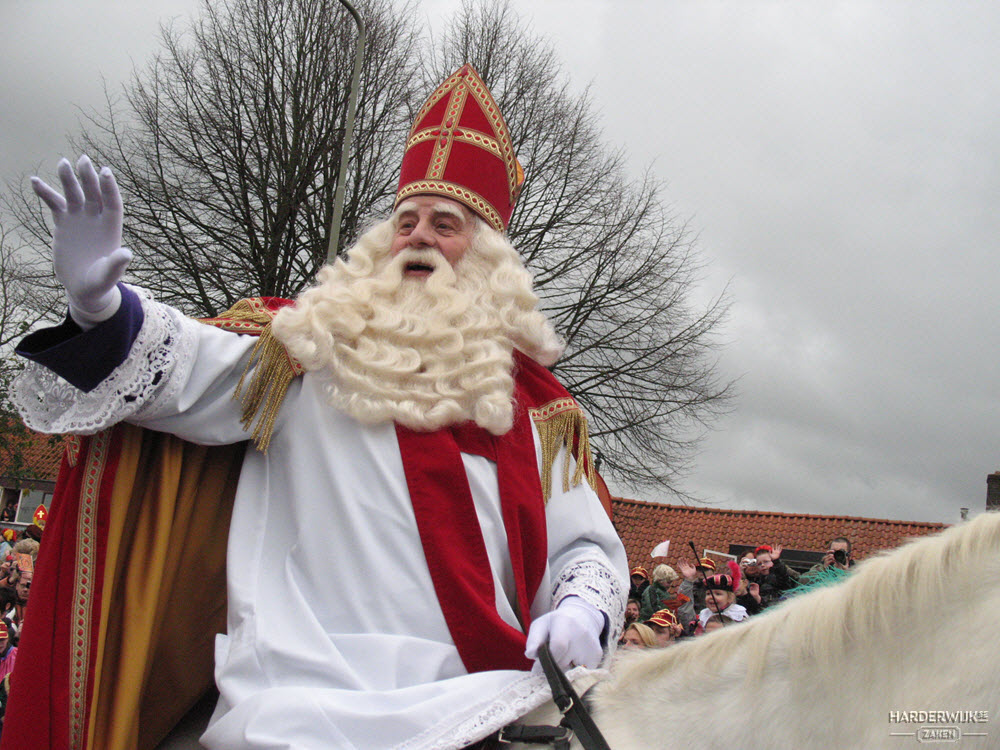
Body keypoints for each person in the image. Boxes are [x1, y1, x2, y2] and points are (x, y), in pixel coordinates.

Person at [9, 65, 628, 750]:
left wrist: (583, 606)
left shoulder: (539, 417)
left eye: (445, 224)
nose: (417, 236)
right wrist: (101, 311)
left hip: (472, 707)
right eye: (406, 221)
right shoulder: (301, 355)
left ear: (488, 259)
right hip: (296, 712)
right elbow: (178, 367)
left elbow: (584, 548)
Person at [740, 544, 797, 609]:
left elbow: (782, 576)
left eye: (766, 562)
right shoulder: (758, 581)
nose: (763, 565)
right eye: (759, 564)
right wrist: (740, 572)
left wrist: (776, 561)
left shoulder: (778, 576)